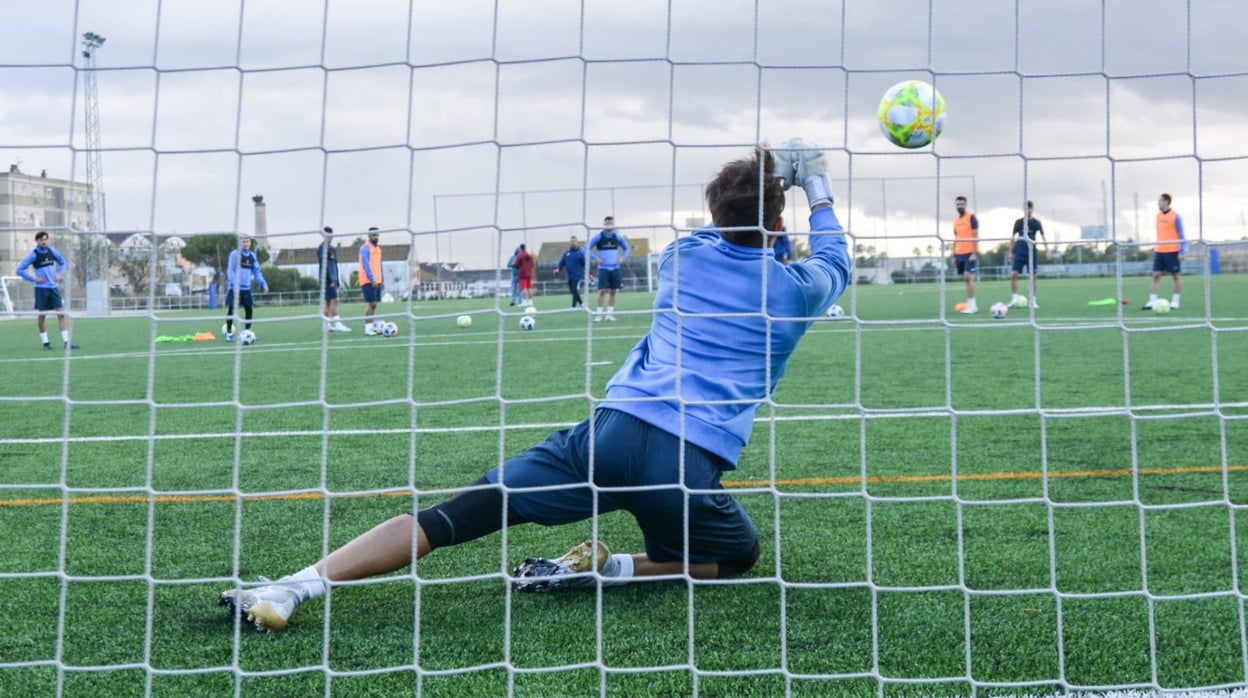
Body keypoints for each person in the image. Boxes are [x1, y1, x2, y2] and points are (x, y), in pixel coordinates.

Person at [217, 139, 851, 632]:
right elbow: (833, 253)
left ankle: (293, 585)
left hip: (608, 432)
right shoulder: (798, 291)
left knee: (452, 515)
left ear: (714, 213)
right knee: (736, 558)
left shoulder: (684, 257)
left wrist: (767, 181)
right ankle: (605, 572)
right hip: (681, 462)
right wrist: (812, 185)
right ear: (776, 218)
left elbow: (736, 221)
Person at [15, 230, 78, 350]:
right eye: (41, 240)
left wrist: (60, 274)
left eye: (45, 239)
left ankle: (66, 342)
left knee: (61, 313)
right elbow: (19, 270)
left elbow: (63, 262)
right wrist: (34, 278)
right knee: (42, 315)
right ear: (37, 241)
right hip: (41, 289)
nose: (44, 242)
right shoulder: (33, 255)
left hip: (53, 288)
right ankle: (46, 343)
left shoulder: (52, 251)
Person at [1143, 193, 1186, 311]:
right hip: (1159, 251)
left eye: (1160, 201)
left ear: (1166, 201)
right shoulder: (1158, 216)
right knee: (1156, 275)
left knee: (1176, 276)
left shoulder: (1176, 216)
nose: (1158, 203)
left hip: (1173, 251)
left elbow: (1182, 234)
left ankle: (1175, 301)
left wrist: (1182, 251)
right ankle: (1151, 301)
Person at [223, 237, 268, 343]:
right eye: (243, 241)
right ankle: (229, 333)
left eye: (247, 241)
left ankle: (247, 332)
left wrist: (263, 283)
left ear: (250, 243)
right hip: (235, 288)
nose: (245, 243)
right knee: (231, 310)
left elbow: (257, 271)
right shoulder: (235, 255)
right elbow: (230, 270)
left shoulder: (252, 255)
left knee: (249, 310)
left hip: (246, 289)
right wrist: (234, 285)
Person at [589, 215, 630, 321]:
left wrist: (623, 258)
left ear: (613, 224)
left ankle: (609, 314)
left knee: (613, 292)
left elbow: (627, 248)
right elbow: (586, 249)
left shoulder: (617, 237)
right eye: (607, 223)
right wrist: (595, 258)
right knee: (602, 291)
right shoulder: (599, 237)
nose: (609, 225)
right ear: (604, 224)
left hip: (615, 268)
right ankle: (598, 315)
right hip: (603, 269)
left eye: (611, 223)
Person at [1008, 201, 1046, 309]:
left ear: (1032, 209)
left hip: (1031, 253)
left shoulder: (1036, 222)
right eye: (1026, 208)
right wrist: (1010, 252)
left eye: (1029, 208)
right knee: (1014, 275)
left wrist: (1047, 250)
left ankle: (1033, 301)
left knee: (1033, 277)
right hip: (1019, 252)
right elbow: (1012, 237)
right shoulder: (1019, 222)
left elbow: (1043, 236)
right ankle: (1014, 299)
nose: (1028, 210)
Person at [317, 226, 351, 332]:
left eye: (331, 235)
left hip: (333, 279)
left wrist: (337, 280)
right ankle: (337, 324)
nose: (331, 237)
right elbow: (324, 265)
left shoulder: (332, 248)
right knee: (335, 300)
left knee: (328, 302)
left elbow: (334, 265)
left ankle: (326, 326)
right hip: (327, 280)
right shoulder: (322, 248)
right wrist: (330, 280)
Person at [951, 195, 979, 314]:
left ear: (966, 205)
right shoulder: (956, 220)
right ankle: (970, 304)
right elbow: (956, 237)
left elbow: (975, 235)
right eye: (958, 204)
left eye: (962, 204)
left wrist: (974, 253)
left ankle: (972, 305)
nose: (960, 206)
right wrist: (953, 255)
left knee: (968, 278)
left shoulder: (971, 217)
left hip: (969, 253)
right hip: (959, 253)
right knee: (965, 279)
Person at [359, 227, 384, 334]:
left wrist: (382, 279)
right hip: (368, 280)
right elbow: (365, 265)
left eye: (377, 235)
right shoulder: (365, 248)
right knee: (372, 304)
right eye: (373, 235)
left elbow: (379, 265)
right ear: (369, 236)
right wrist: (372, 279)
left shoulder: (378, 249)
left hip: (377, 281)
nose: (376, 237)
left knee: (374, 304)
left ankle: (371, 326)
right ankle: (368, 328)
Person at [553, 235, 586, 307]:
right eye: (571, 241)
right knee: (573, 291)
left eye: (574, 241)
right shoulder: (566, 253)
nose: (572, 243)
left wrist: (589, 274)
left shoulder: (580, 254)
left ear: (577, 242)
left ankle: (573, 306)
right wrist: (558, 269)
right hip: (569, 276)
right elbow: (562, 262)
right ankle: (582, 304)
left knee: (574, 290)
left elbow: (585, 264)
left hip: (577, 276)